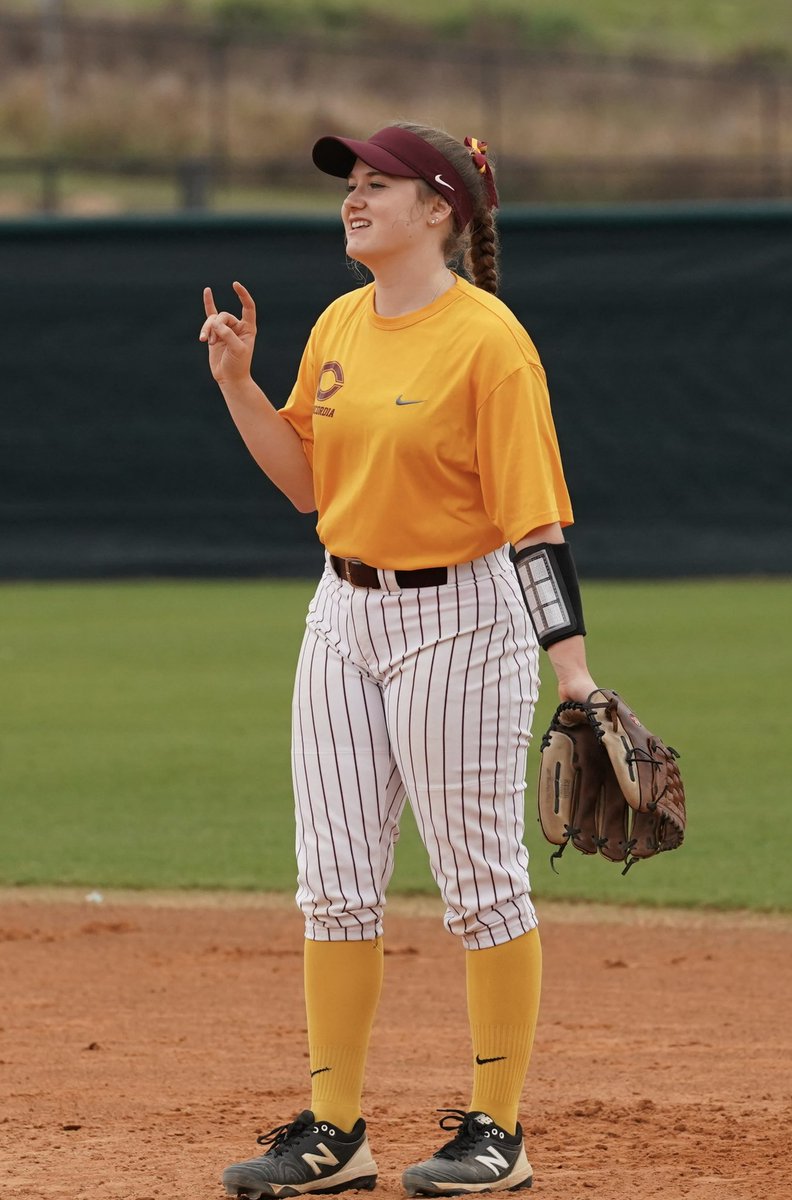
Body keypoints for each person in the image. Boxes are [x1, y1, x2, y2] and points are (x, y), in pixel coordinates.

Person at [199, 121, 597, 1198]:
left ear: (441, 212)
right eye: (351, 184)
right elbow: (306, 488)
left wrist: (572, 670)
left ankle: (497, 1133)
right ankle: (334, 1133)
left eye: (380, 183)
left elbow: (536, 529)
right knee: (332, 884)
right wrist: (240, 382)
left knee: (480, 883)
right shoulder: (337, 323)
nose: (355, 198)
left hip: (465, 624)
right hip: (343, 611)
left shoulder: (489, 342)